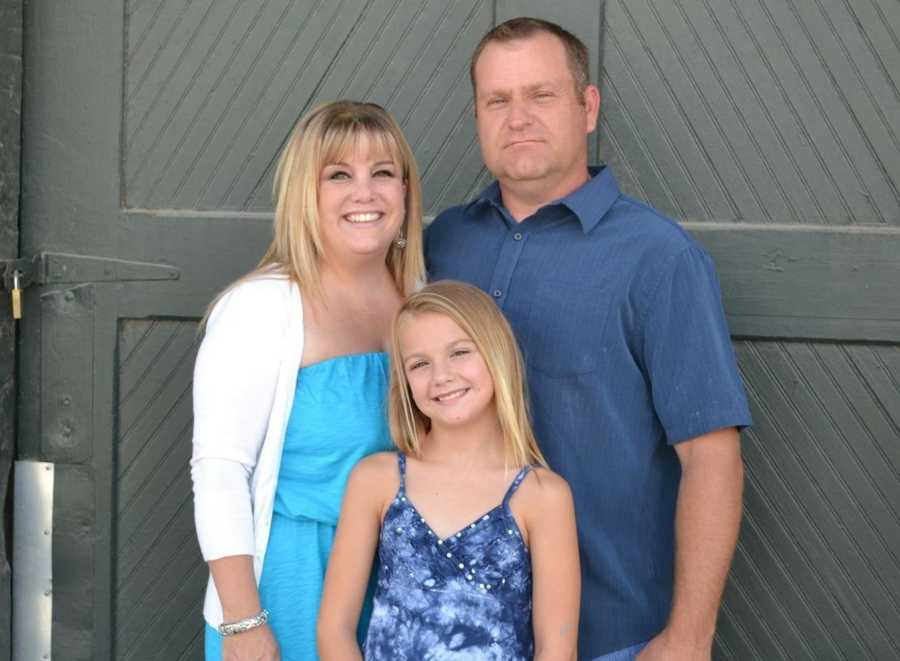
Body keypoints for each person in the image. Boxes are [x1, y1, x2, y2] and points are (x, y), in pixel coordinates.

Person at [425, 17, 752, 661]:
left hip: (610, 636)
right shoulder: (442, 244)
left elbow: (712, 458)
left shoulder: (658, 258)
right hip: (450, 631)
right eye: (498, 100)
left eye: (541, 95)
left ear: (588, 106)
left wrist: (688, 638)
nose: (517, 117)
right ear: (477, 115)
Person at [190, 100, 425, 660]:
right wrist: (243, 623)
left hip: (398, 584)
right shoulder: (260, 307)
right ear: (306, 194)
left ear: (406, 192)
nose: (364, 193)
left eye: (383, 173)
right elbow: (221, 471)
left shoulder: (420, 297)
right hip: (293, 584)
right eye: (338, 175)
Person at [316, 280, 580, 660]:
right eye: (420, 363)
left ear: (496, 354)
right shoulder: (377, 480)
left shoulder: (542, 496)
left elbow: (557, 651)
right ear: (405, 382)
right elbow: (335, 629)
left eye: (459, 353)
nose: (441, 375)